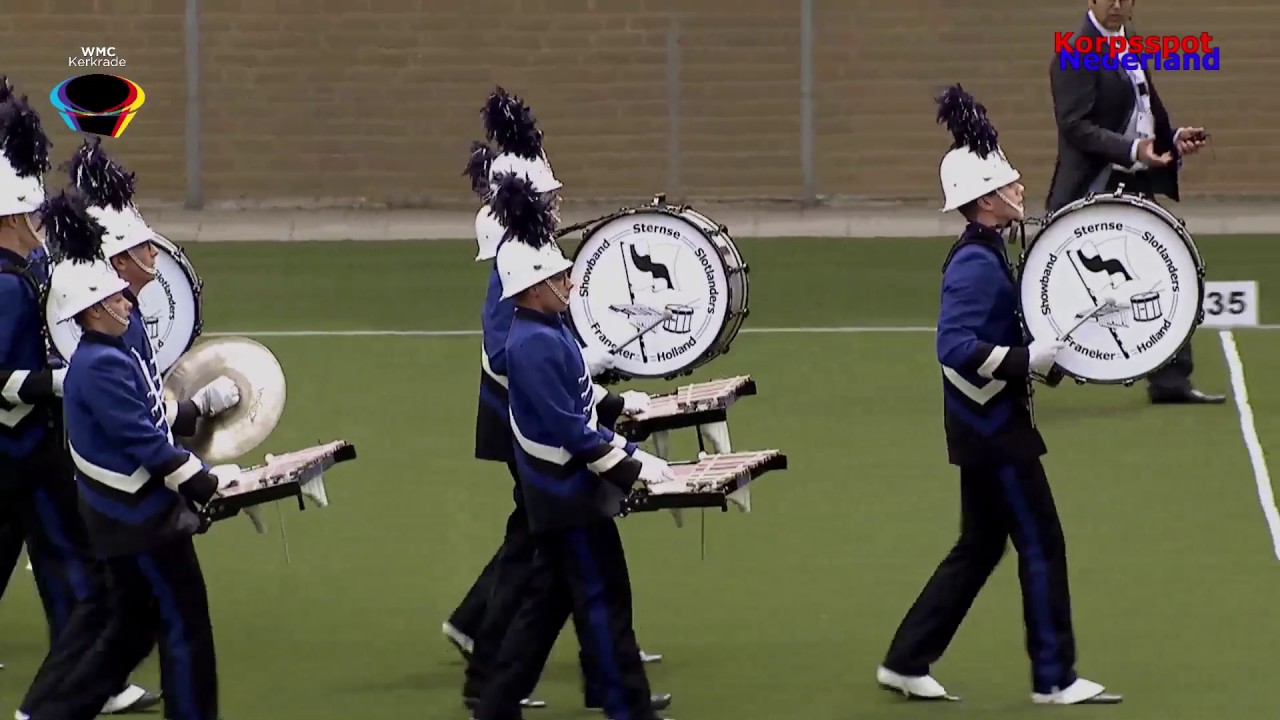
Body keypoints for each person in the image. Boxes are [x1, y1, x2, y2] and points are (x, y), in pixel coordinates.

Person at [875, 85, 1121, 706]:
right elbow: (952, 346)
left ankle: (906, 659)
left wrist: (1048, 357)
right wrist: (1023, 360)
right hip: (993, 433)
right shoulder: (974, 264)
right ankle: (1054, 677)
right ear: (984, 200)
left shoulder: (990, 251)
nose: (1019, 188)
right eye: (1008, 184)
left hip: (984, 426)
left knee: (980, 545)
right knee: (1042, 541)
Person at [458, 108, 663, 714]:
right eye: (549, 191)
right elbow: (523, 373)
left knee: (548, 591)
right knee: (583, 589)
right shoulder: (523, 309)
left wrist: (601, 390)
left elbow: (563, 376)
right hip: (554, 465)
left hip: (556, 447)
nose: (558, 197)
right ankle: (616, 698)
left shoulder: (540, 309)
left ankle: (500, 693)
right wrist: (625, 459)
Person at [19, 188, 240, 720]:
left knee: (126, 630)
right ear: (92, 310)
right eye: (116, 295)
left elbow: (151, 415)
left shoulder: (114, 348)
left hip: (132, 517)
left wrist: (193, 421)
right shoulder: (101, 364)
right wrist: (204, 483)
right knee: (183, 626)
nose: (129, 298)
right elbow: (142, 439)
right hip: (137, 520)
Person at [0, 85, 163, 716]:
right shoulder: (8, 288)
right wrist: (74, 384)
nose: (42, 225)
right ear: (13, 220)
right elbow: (4, 383)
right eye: (35, 217)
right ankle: (91, 679)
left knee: (66, 561)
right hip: (20, 451)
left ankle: (93, 677)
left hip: (29, 448)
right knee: (74, 563)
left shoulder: (29, 272)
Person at [1046, 0, 1221, 405]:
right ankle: (1013, 372)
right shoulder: (1074, 49)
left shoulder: (1129, 42)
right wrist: (1133, 150)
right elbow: (1075, 125)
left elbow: (1142, 113)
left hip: (1130, 184)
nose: (1117, 4)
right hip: (1092, 186)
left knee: (1165, 269)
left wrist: (1171, 139)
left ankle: (1171, 381)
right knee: (1059, 287)